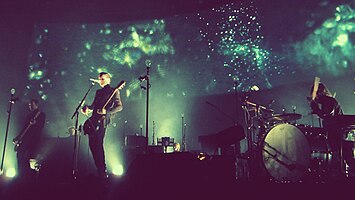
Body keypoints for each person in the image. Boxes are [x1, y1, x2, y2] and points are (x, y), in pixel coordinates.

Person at [81, 72, 123, 179]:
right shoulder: (98, 92)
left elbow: (119, 107)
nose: (100, 81)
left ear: (108, 79)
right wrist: (87, 108)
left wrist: (107, 111)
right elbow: (94, 106)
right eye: (99, 79)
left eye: (103, 79)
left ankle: (102, 169)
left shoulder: (114, 91)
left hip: (103, 120)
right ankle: (98, 168)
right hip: (94, 120)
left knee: (98, 143)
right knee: (92, 144)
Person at [309, 82, 344, 178]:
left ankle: (337, 175)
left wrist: (315, 107)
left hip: (336, 132)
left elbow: (327, 116)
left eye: (315, 94)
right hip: (333, 131)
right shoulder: (326, 101)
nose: (314, 98)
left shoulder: (329, 101)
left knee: (336, 154)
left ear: (320, 92)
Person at [13, 99, 46, 180]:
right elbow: (24, 128)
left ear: (37, 105)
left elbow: (41, 125)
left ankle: (28, 175)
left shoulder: (41, 114)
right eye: (29, 105)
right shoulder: (28, 116)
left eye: (32, 104)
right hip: (26, 139)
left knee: (30, 157)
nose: (30, 106)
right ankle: (21, 173)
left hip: (34, 139)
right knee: (20, 154)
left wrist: (35, 123)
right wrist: (18, 137)